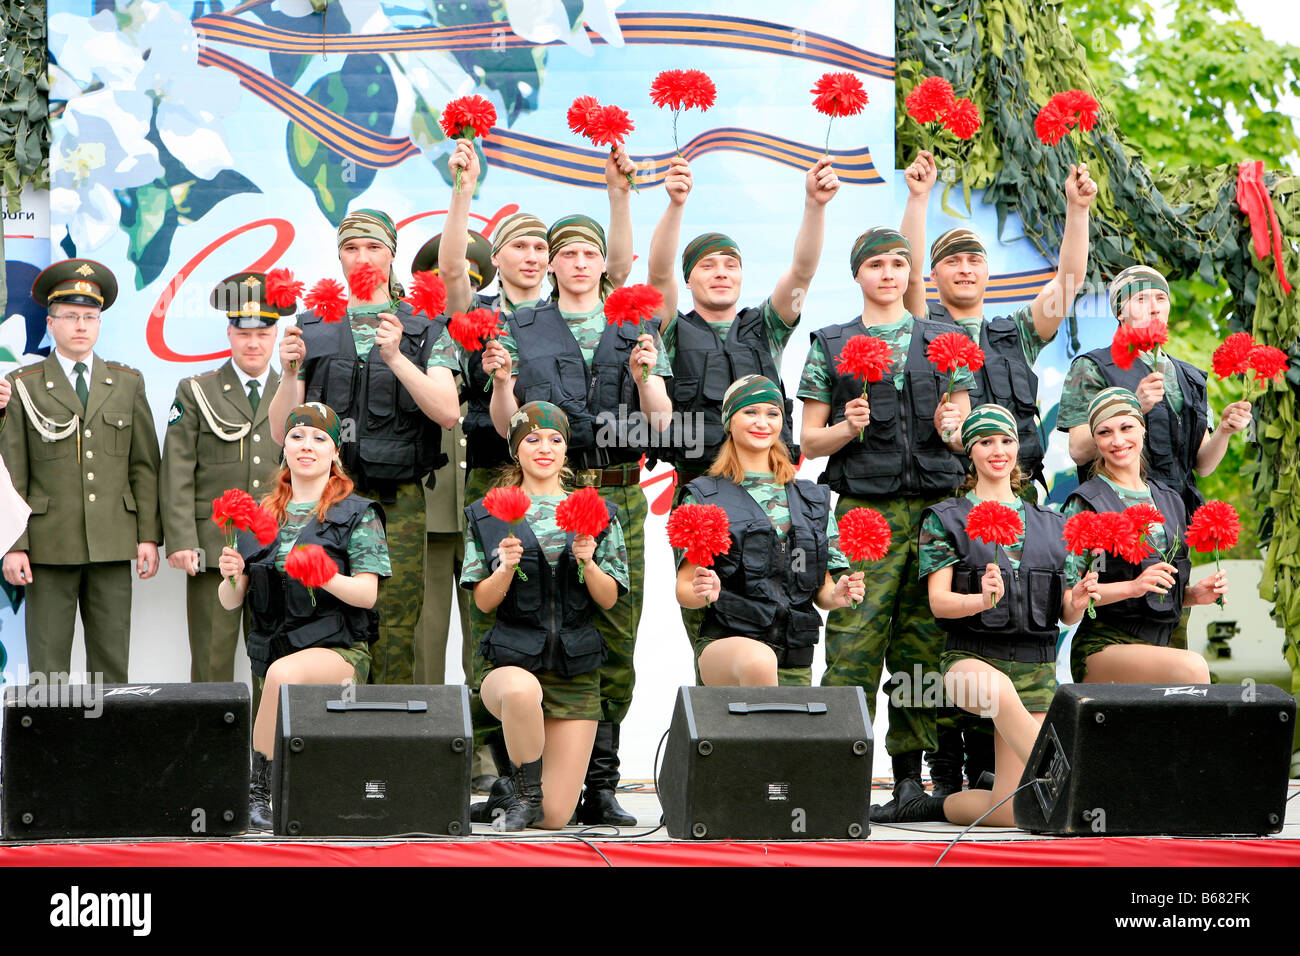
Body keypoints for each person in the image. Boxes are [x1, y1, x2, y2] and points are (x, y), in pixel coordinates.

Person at [482, 213, 671, 826]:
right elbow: (501, 418)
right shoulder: (521, 323)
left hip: (616, 490)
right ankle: (517, 780)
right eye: (569, 254)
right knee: (524, 623)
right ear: (553, 266)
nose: (581, 263)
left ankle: (601, 781)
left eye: (592, 253)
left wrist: (646, 380)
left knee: (615, 632)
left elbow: (661, 422)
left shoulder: (636, 327)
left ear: (605, 265)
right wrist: (504, 381)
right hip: (543, 490)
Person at [798, 227, 973, 821]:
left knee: (922, 651)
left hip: (935, 512)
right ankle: (830, 777)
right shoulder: (832, 342)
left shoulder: (943, 340)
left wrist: (954, 428)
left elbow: (962, 433)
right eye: (876, 264)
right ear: (858, 275)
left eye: (900, 263)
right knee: (853, 643)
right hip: (863, 512)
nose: (890, 273)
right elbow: (808, 440)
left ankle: (909, 782)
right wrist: (847, 427)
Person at [269, 208, 461, 684]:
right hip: (325, 502)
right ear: (338, 256)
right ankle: (326, 742)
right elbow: (281, 431)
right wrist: (290, 373)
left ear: (392, 253)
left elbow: (448, 411)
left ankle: (390, 743)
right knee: (320, 619)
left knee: (395, 623)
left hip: (398, 501)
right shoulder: (311, 325)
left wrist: (395, 358)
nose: (362, 258)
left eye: (374, 247)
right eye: (351, 248)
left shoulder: (423, 325)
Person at [893, 405, 1098, 826]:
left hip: (1036, 671)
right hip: (971, 661)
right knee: (1002, 693)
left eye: (1006, 440)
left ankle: (929, 805)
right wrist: (980, 602)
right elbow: (939, 603)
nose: (998, 450)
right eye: (986, 442)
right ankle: (1087, 785)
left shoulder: (1053, 524)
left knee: (1013, 811)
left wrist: (1077, 601)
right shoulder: (945, 518)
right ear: (971, 452)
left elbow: (1065, 616)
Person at [218, 403, 391, 830]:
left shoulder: (359, 514)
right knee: (280, 674)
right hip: (276, 649)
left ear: (335, 453)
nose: (307, 446)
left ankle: (257, 789)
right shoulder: (260, 516)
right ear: (285, 447)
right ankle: (270, 791)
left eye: (319, 439)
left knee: (283, 676)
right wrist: (229, 577)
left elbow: (367, 595)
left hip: (339, 650)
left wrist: (326, 576)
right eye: (297, 437)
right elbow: (230, 601)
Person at [461, 401, 627, 830]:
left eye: (555, 439)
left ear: (566, 450)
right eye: (532, 439)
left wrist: (589, 564)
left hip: (574, 672)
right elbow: (482, 601)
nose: (544, 448)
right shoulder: (489, 511)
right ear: (516, 450)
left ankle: (503, 795)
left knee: (554, 819)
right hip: (514, 666)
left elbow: (609, 600)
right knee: (518, 691)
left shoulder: (596, 512)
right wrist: (504, 569)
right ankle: (523, 791)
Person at [1, 259, 161, 683]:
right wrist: (15, 544)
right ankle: (47, 750)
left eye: (90, 317)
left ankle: (109, 748)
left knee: (111, 665)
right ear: (51, 323)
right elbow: (12, 472)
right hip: (48, 546)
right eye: (70, 316)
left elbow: (144, 466)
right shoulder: (24, 384)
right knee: (48, 665)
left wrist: (148, 536)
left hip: (112, 542)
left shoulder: (127, 383)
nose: (81, 326)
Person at [900, 151, 1096, 495]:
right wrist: (918, 198)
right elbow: (909, 275)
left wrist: (1078, 209)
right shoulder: (922, 325)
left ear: (987, 272)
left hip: (1017, 491)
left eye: (974, 260)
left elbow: (1069, 282)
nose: (964, 268)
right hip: (948, 492)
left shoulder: (1016, 332)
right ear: (934, 274)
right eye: (952, 261)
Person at [675, 376, 863, 685]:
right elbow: (684, 589)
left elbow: (823, 591)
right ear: (729, 421)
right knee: (759, 662)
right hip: (729, 649)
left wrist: (838, 594)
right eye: (750, 412)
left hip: (794, 658)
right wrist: (702, 591)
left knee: (792, 729)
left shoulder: (812, 500)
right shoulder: (702, 497)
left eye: (772, 413)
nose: (762, 422)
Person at [161, 272, 289, 697]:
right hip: (214, 548)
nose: (253, 343)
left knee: (273, 661)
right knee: (211, 660)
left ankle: (268, 757)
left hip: (278, 551)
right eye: (243, 332)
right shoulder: (197, 390)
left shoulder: (292, 390)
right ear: (229, 333)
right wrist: (181, 539)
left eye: (263, 332)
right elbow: (177, 470)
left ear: (276, 335)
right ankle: (208, 758)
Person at [1064, 387, 1226, 684]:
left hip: (1161, 645)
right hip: (1105, 647)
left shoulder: (1170, 499)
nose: (1118, 440)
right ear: (1096, 441)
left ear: (1143, 428)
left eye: (1126, 427)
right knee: (1193, 670)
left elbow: (1157, 595)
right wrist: (1133, 586)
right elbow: (1066, 604)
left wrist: (1191, 596)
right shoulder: (1084, 503)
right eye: (1104, 432)